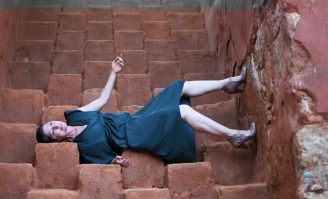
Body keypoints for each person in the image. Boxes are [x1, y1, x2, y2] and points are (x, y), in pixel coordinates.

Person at [36, 57, 256, 168]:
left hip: (134, 120)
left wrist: (113, 72)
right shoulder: (84, 149)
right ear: (56, 141)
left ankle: (228, 83)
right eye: (53, 131)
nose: (57, 126)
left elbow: (102, 100)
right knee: (182, 111)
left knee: (177, 87)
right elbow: (110, 160)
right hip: (134, 134)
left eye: (53, 123)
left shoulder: (73, 115)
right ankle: (233, 136)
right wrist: (117, 162)